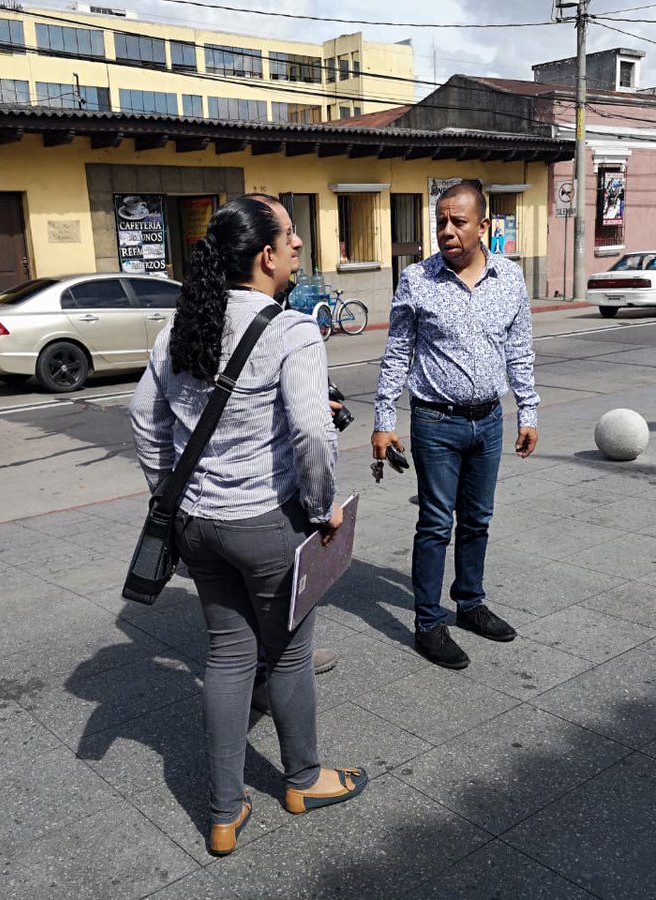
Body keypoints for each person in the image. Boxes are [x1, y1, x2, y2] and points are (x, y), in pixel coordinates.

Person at [130, 197, 367, 857]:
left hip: (200, 526)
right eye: (290, 235)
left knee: (227, 659)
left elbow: (144, 422)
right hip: (268, 526)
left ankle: (224, 813)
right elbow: (314, 436)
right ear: (265, 254)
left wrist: (169, 498)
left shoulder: (181, 330)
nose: (297, 246)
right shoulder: (291, 331)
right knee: (288, 655)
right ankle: (302, 778)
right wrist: (324, 510)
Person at [372, 181, 539, 670]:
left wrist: (527, 410)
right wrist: (384, 420)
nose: (446, 230)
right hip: (435, 422)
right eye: (440, 221)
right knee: (435, 524)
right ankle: (428, 622)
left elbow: (520, 350)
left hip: (489, 421)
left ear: (483, 226)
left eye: (458, 221)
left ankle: (469, 603)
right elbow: (397, 353)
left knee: (478, 520)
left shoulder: (509, 278)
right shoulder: (417, 280)